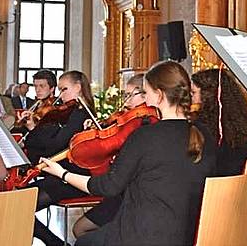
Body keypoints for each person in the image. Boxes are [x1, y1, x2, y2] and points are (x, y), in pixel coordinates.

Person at [41, 61, 217, 246]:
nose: (145, 100)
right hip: (187, 235)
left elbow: (108, 187)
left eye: (146, 93)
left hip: (142, 235)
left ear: (159, 95)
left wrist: (62, 173)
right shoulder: (204, 134)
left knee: (83, 243)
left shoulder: (145, 135)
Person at [25, 70, 95, 246]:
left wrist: (37, 130)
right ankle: (55, 243)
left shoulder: (80, 114)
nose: (60, 95)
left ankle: (55, 243)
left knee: (19, 205)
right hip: (60, 176)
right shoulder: (69, 113)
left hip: (73, 179)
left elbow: (56, 145)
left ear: (78, 87)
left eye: (64, 89)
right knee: (17, 203)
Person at [72, 74, 146, 239]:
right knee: (80, 229)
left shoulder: (143, 123)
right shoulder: (129, 120)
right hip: (119, 190)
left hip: (128, 194)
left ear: (146, 95)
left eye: (130, 95)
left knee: (81, 229)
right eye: (124, 95)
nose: (126, 101)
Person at [191, 68, 247, 176]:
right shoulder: (240, 126)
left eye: (194, 93)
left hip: (212, 184)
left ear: (207, 95)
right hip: (236, 184)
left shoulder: (202, 128)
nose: (191, 97)